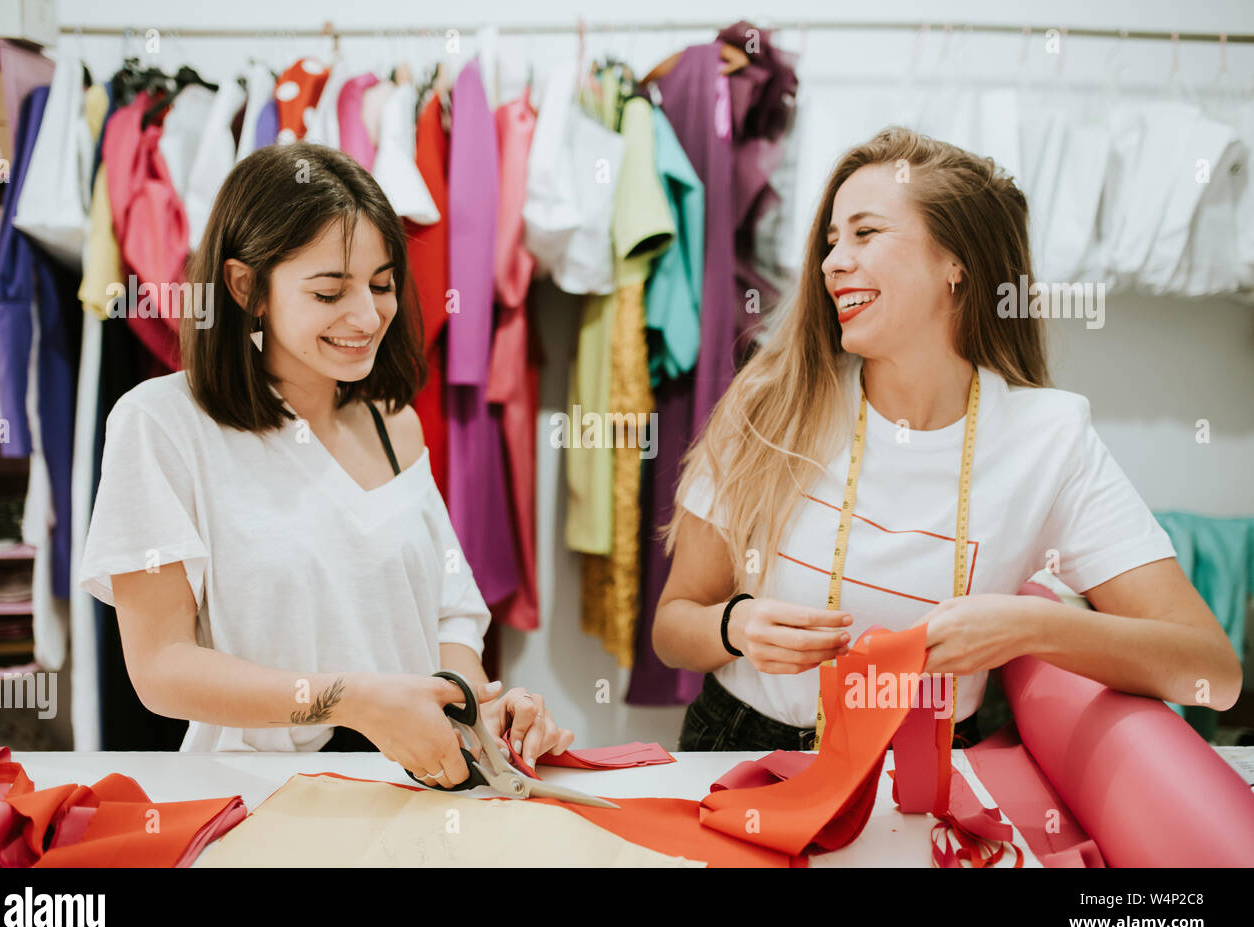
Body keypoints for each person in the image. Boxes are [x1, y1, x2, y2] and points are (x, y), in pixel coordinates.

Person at [653, 126, 1240, 753]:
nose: (831, 262)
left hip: (923, 764)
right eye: (830, 241)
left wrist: (1034, 625)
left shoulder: (1048, 440)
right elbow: (673, 625)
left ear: (954, 262)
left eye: (866, 233)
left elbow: (1213, 674)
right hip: (742, 744)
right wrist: (734, 625)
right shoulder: (774, 403)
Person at [79, 142, 571, 788]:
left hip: (418, 788)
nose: (367, 316)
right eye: (330, 290)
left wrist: (473, 704)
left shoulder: (393, 422)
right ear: (245, 286)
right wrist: (352, 700)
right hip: (256, 797)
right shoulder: (161, 424)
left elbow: (451, 612)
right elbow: (162, 667)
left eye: (383, 283)